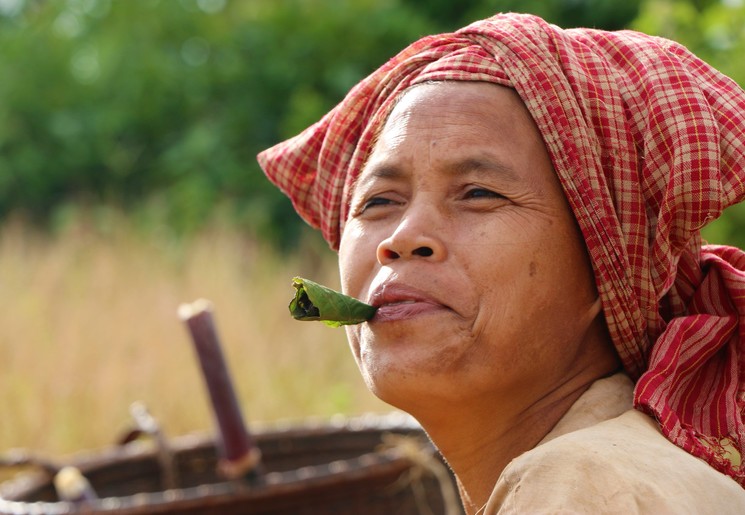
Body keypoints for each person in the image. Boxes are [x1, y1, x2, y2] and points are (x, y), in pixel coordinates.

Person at [257, 12, 745, 513]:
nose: (402, 239)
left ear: (607, 269)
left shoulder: (581, 487)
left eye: (478, 193)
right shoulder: (624, 470)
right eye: (379, 201)